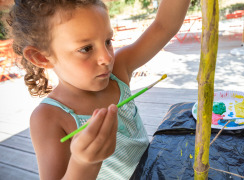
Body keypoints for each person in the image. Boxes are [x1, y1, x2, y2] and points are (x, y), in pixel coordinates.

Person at [7, 0, 190, 179]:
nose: (106, 58)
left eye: (108, 41)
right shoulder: (49, 118)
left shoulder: (118, 71)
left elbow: (164, 25)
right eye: (86, 49)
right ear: (41, 57)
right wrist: (83, 163)